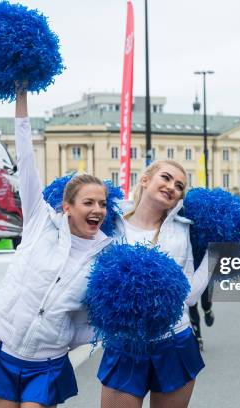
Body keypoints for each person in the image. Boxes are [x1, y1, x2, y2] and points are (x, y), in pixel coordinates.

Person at [0, 87, 113, 408]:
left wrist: (66, 336)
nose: (97, 210)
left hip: (47, 361)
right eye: (89, 202)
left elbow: (92, 318)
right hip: (4, 346)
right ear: (67, 206)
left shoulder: (105, 255)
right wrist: (21, 93)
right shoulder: (39, 220)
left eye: (102, 204)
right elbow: (25, 156)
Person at [99, 159, 209, 408]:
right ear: (146, 179)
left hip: (174, 341)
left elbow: (190, 296)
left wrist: (214, 254)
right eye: (166, 178)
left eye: (179, 186)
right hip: (125, 342)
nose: (172, 187)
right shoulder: (111, 223)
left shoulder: (183, 231)